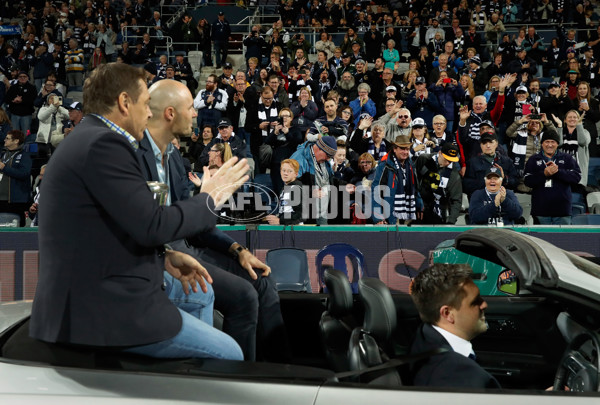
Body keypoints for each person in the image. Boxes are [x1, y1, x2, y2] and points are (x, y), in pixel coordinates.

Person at [29, 63, 249, 361]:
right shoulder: (105, 143)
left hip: (95, 291)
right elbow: (153, 224)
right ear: (124, 102)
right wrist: (209, 198)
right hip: (99, 310)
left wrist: (165, 256)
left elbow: (111, 226)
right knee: (230, 354)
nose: (149, 113)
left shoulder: (90, 137)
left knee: (199, 292)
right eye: (146, 104)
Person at [138, 79, 289, 362]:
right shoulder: (134, 154)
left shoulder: (172, 156)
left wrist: (238, 250)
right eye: (190, 108)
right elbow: (154, 223)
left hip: (190, 244)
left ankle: (280, 369)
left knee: (262, 279)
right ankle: (239, 380)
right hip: (169, 253)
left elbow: (197, 221)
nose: (196, 113)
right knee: (244, 295)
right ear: (170, 113)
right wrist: (207, 198)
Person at [409, 263, 501, 389]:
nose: (484, 305)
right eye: (476, 302)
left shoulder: (423, 337)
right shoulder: (460, 377)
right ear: (447, 314)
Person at [524, 129, 582, 225]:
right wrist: (544, 174)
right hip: (540, 211)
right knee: (540, 239)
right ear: (542, 143)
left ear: (557, 144)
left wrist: (558, 172)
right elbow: (527, 181)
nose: (550, 145)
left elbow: (577, 177)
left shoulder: (567, 158)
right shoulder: (534, 159)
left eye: (553, 142)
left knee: (562, 239)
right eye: (547, 142)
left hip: (562, 210)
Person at [371, 134, 422, 225]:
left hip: (408, 214)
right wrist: (378, 217)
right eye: (402, 148)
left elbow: (415, 188)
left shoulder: (410, 165)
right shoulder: (385, 165)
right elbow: (376, 191)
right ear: (394, 149)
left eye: (407, 149)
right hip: (389, 216)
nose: (405, 152)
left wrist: (419, 206)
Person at [415, 143, 463, 224]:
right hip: (418, 209)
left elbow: (456, 201)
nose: (448, 163)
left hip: (438, 213)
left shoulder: (454, 175)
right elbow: (414, 183)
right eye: (446, 159)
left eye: (451, 161)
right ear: (440, 153)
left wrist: (450, 221)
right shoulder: (424, 160)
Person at [463, 131, 519, 197]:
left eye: (491, 142)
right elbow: (466, 186)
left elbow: (515, 183)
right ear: (480, 145)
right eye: (484, 143)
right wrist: (487, 181)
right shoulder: (472, 162)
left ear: (496, 144)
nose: (488, 146)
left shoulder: (507, 161)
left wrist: (504, 179)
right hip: (481, 199)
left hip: (502, 199)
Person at [0, 130, 32, 227]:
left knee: (17, 228)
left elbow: (24, 174)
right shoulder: (4, 154)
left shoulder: (24, 155)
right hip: (1, 199)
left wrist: (4, 168)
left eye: (8, 138)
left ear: (16, 141)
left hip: (16, 200)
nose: (4, 140)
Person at [264, 158, 303, 225]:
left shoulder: (295, 189)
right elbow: (286, 211)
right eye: (283, 170)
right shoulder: (284, 189)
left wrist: (280, 221)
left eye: (289, 171)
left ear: (296, 174)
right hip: (287, 228)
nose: (285, 173)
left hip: (295, 230)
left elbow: (301, 215)